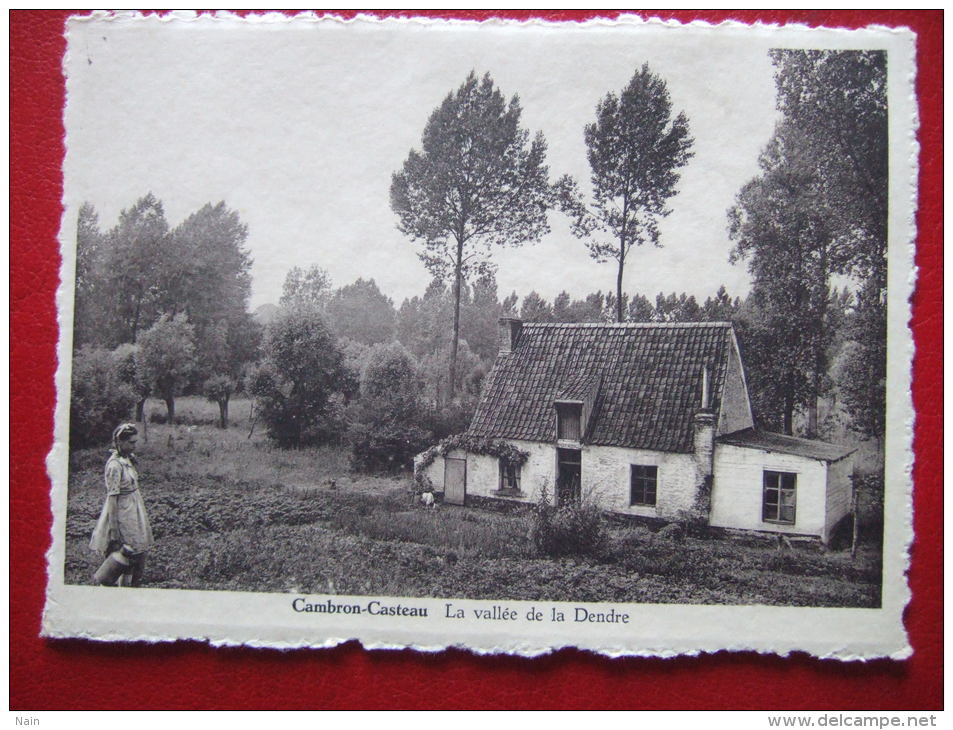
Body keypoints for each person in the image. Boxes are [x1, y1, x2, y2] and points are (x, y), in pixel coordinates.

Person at [90, 422, 154, 586]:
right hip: (123, 511)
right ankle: (120, 587)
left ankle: (129, 584)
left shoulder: (125, 459)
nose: (134, 446)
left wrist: (131, 460)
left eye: (135, 442)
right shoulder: (114, 466)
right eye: (131, 442)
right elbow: (112, 499)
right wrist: (114, 529)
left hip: (134, 508)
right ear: (120, 442)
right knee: (124, 553)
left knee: (135, 552)